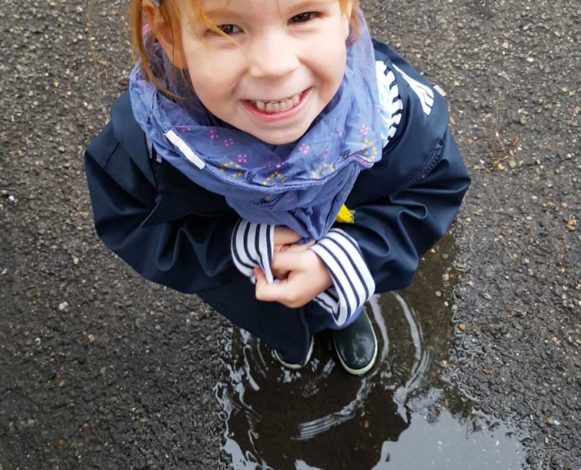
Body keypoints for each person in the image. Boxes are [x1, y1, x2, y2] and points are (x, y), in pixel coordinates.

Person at [84, 0, 470, 376]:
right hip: (244, 288)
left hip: (343, 264)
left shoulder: (389, 109)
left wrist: (349, 258)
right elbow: (130, 222)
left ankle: (343, 318)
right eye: (227, 28)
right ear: (170, 34)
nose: (275, 66)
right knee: (272, 322)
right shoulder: (150, 143)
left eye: (303, 15)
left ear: (346, 10)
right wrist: (230, 247)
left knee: (340, 297)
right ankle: (288, 341)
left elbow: (433, 186)